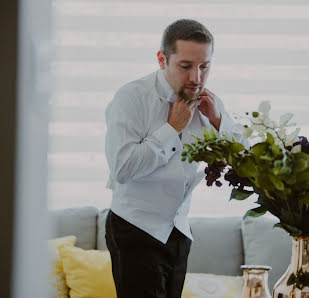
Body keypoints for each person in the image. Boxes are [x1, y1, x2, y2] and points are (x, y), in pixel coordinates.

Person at [104, 19, 243, 298]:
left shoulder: (211, 105)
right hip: (135, 229)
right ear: (162, 59)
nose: (196, 78)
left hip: (178, 232)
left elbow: (244, 160)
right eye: (186, 66)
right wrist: (171, 129)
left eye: (204, 66)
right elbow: (122, 168)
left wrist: (218, 121)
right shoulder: (130, 98)